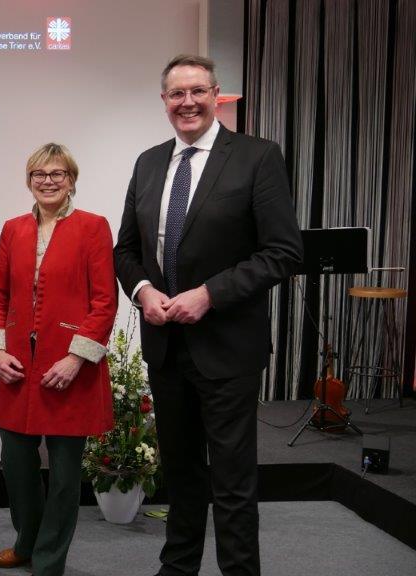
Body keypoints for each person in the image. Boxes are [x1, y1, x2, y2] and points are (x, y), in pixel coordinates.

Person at [114, 55, 303, 576]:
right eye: (177, 94)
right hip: (166, 345)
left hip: (227, 346)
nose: (188, 102)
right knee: (179, 471)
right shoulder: (149, 163)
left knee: (233, 479)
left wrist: (209, 295)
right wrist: (143, 289)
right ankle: (178, 566)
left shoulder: (257, 157)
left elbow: (283, 251)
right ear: (164, 102)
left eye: (198, 91)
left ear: (216, 95)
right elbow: (125, 251)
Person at [0, 143, 117, 576]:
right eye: (40, 173)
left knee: (62, 477)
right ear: (29, 180)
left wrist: (76, 358)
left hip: (68, 370)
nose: (48, 181)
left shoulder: (93, 228)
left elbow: (104, 302)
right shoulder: (13, 229)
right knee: (16, 468)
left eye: (58, 173)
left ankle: (49, 560)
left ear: (71, 179)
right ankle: (26, 543)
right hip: (19, 368)